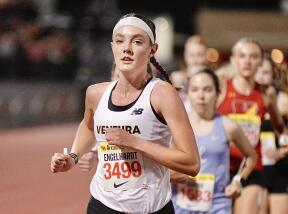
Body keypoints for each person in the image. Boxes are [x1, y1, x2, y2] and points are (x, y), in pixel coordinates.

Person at [50, 13, 200, 213]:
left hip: (152, 208)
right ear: (113, 47)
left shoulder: (162, 94)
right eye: (120, 41)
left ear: (152, 50)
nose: (127, 48)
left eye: (137, 42)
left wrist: (135, 142)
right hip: (103, 204)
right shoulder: (95, 93)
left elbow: (191, 163)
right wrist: (73, 157)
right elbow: (88, 126)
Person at [171, 68, 257, 214]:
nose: (201, 95)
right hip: (179, 205)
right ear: (187, 93)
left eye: (207, 89)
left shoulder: (228, 126)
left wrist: (238, 181)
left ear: (218, 93)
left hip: (217, 205)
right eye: (195, 89)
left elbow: (251, 156)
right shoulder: (174, 124)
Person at [217, 38, 284, 214]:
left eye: (253, 56)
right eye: (242, 56)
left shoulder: (266, 93)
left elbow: (280, 127)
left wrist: (283, 149)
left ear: (261, 62)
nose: (247, 61)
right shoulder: (222, 87)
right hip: (220, 167)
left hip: (251, 168)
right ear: (233, 60)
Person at [254, 54, 288, 214]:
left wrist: (281, 152)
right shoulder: (249, 99)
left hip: (279, 169)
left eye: (265, 72)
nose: (260, 75)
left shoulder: (281, 99)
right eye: (258, 71)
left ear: (273, 74)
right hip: (255, 167)